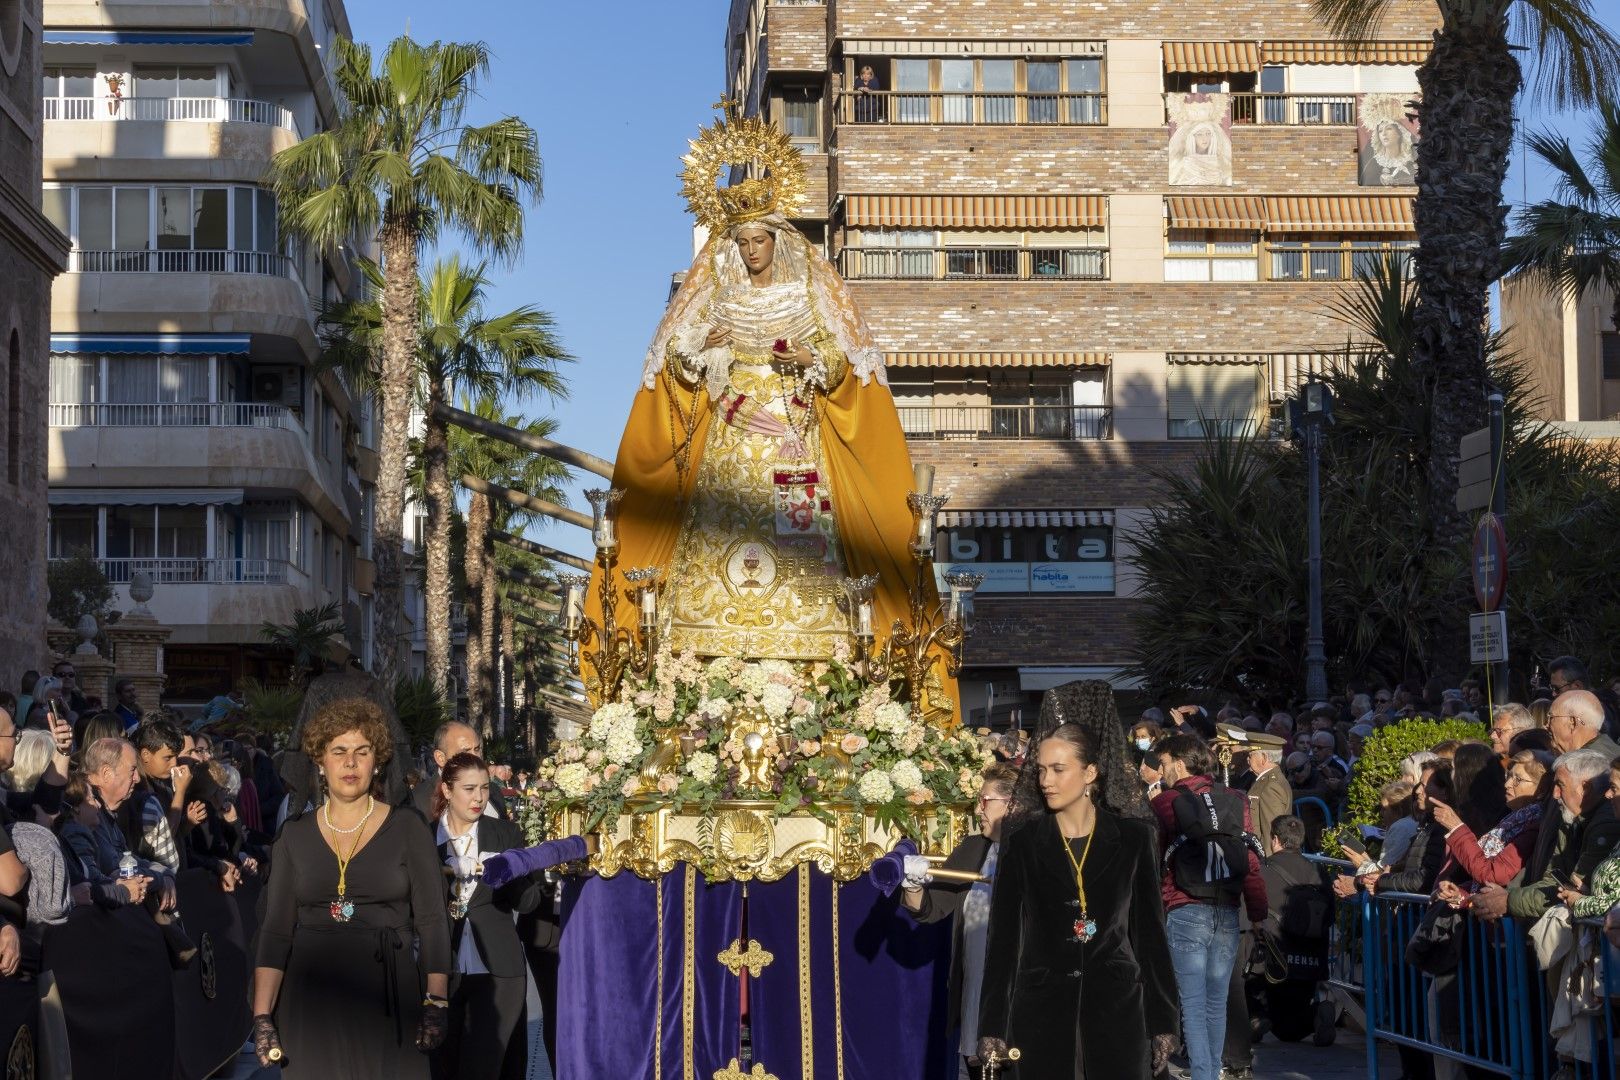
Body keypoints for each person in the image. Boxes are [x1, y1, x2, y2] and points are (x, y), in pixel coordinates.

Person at [591, 114, 953, 709]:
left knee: (804, 543)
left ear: (777, 240)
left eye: (760, 241)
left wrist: (817, 359)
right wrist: (699, 360)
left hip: (792, 437)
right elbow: (677, 364)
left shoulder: (809, 292)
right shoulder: (719, 295)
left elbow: (846, 364)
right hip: (732, 439)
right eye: (741, 243)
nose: (752, 251)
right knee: (718, 534)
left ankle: (826, 662)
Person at [252, 696, 452, 1077]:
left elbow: (432, 921)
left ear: (376, 762)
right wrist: (262, 1017)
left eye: (362, 752)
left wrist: (436, 1000)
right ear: (320, 761)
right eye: (338, 751)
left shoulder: (408, 827)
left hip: (390, 997)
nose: (350, 763)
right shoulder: (293, 835)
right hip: (311, 1001)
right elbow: (275, 931)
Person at [976, 724, 1178, 1078]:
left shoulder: (1134, 838)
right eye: (1040, 769)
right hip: (1040, 1012)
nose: (1045, 781)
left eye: (1058, 769)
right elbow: (1004, 938)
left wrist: (1164, 1020)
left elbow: (1150, 935)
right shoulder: (1022, 841)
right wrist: (992, 1024)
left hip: (1118, 1009)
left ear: (1090, 773)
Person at [1151, 734, 1267, 1080]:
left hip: (1184, 907)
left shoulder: (1165, 802)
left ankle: (1202, 1073)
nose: (1161, 769)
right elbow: (1250, 859)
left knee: (1192, 1004)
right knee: (1217, 1003)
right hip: (1227, 909)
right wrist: (1258, 911)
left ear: (1179, 762)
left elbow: (1153, 860)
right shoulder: (1235, 798)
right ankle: (1212, 1070)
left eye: (1164, 762)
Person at [899, 762, 1018, 1079]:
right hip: (977, 997)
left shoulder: (1035, 850)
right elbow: (930, 908)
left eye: (985, 800)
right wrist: (912, 884)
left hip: (1020, 1000)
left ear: (1012, 804)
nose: (978, 809)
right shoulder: (972, 847)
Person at [431, 752, 539, 1080]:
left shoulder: (505, 834)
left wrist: (511, 871)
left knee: (484, 1069)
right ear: (447, 790)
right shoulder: (422, 837)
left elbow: (530, 902)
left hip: (498, 972)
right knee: (441, 1066)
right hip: (441, 970)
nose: (478, 797)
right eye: (468, 788)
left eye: (483, 788)